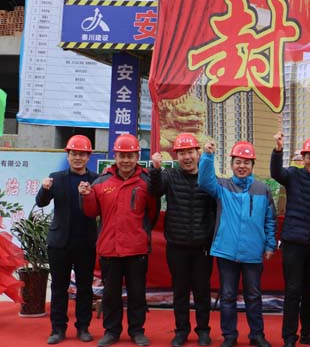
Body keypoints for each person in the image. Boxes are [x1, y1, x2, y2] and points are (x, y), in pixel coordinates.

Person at [79, 133, 157, 347]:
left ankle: (137, 331)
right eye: (122, 156)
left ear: (137, 157)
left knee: (137, 294)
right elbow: (91, 212)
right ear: (115, 156)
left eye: (130, 156)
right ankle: (111, 331)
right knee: (111, 295)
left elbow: (152, 213)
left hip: (137, 248)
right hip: (109, 248)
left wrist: (140, 232)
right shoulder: (101, 182)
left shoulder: (146, 182)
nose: (126, 160)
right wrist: (86, 196)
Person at [199, 140, 276, 347]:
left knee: (254, 296)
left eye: (246, 162)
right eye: (238, 162)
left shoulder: (262, 189)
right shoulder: (222, 187)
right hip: (227, 251)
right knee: (227, 296)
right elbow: (204, 181)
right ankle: (229, 335)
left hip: (253, 252)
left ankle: (257, 335)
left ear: (252, 165)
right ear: (232, 164)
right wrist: (207, 156)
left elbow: (270, 219)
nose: (242, 166)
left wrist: (270, 245)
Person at [149, 133, 217, 347]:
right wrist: (156, 170)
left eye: (190, 152)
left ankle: (203, 331)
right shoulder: (170, 176)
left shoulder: (208, 177)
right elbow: (154, 190)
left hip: (202, 246)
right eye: (182, 153)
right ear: (176, 155)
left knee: (202, 291)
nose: (187, 157)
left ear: (198, 153)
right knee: (180, 291)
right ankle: (181, 331)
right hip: (177, 246)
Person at [36, 135, 99, 344]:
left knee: (85, 288)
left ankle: (83, 328)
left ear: (88, 156)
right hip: (59, 242)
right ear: (68, 155)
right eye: (73, 153)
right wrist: (44, 189)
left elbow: (100, 208)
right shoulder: (56, 178)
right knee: (58, 288)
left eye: (82, 154)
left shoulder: (96, 179)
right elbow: (41, 202)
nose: (77, 158)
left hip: (85, 242)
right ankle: (57, 329)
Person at [270, 133, 310, 347]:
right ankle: (289, 336)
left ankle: (308, 333)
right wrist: (278, 150)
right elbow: (276, 172)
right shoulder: (293, 175)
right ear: (302, 158)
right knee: (293, 291)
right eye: (309, 157)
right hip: (294, 243)